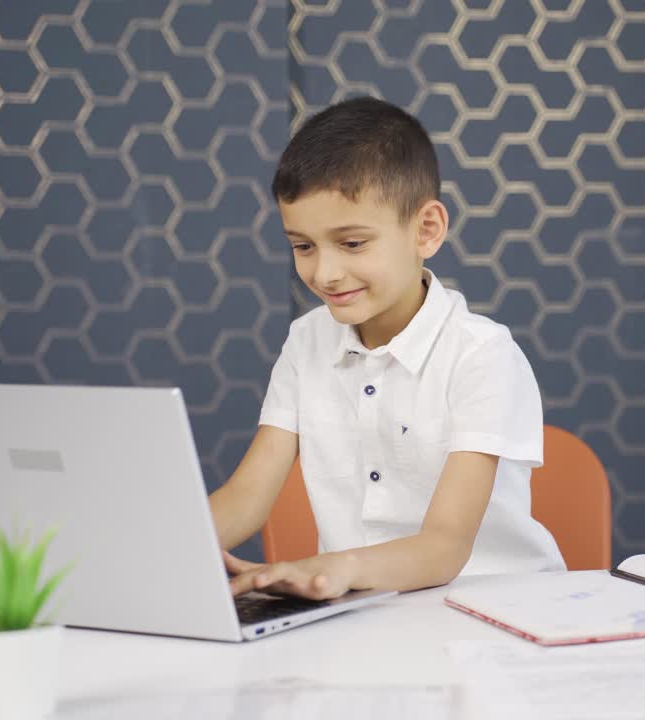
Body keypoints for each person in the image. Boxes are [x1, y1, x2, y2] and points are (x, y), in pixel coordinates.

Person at [209, 97, 564, 601]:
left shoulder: (482, 355)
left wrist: (332, 568)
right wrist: (154, 550)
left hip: (494, 611)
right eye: (303, 246)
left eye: (352, 244)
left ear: (426, 230)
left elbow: (444, 547)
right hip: (363, 611)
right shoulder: (306, 341)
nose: (325, 273)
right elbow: (246, 499)